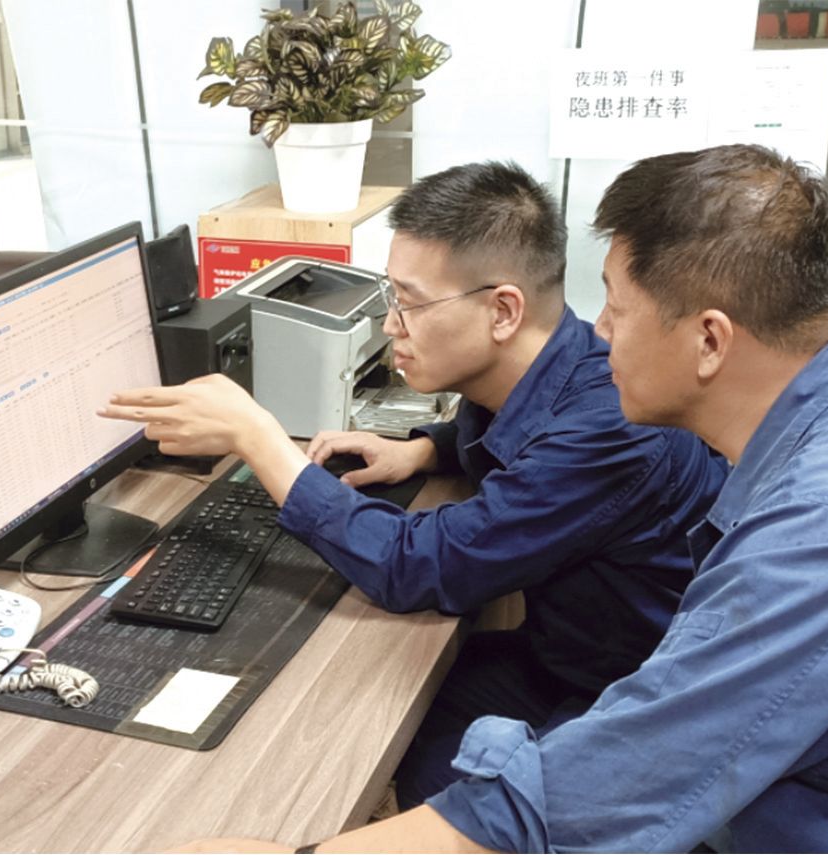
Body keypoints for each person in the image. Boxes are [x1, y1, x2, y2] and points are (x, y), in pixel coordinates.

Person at [173, 143, 828, 853]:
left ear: (709, 340)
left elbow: (615, 778)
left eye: (616, 307)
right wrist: (431, 442)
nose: (598, 331)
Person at [100, 161, 725, 808]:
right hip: (572, 653)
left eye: (410, 302)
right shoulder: (559, 366)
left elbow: (419, 564)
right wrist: (426, 449)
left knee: (392, 751)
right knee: (375, 701)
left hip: (633, 704)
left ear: (503, 310)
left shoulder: (612, 428)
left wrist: (256, 437)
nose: (390, 325)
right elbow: (529, 436)